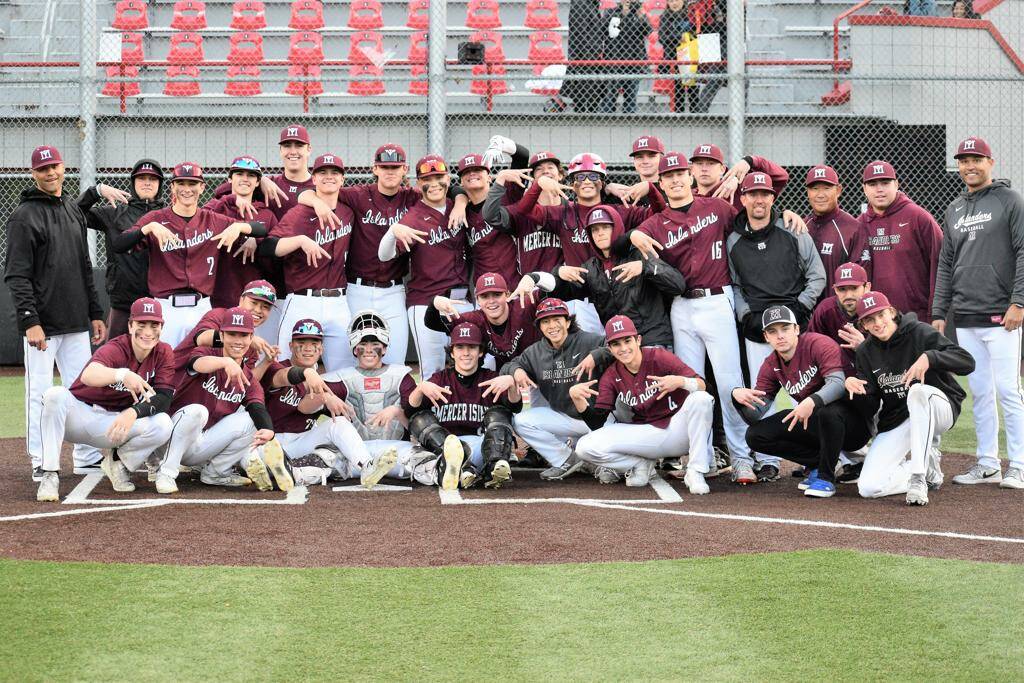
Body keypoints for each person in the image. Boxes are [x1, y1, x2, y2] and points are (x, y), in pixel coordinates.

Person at [629, 152, 750, 476]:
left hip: (716, 300)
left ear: (690, 176)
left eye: (681, 173)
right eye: (669, 176)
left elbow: (757, 214)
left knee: (728, 383)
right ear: (662, 182)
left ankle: (741, 458)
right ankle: (701, 457)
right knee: (690, 385)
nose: (676, 179)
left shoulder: (718, 207)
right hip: (681, 307)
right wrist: (634, 235)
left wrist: (748, 164)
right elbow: (623, 237)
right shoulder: (655, 223)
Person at [298, 144, 469, 366]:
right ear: (375, 169)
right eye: (384, 166)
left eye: (395, 167)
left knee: (395, 359)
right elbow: (307, 193)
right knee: (351, 358)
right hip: (356, 289)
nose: (390, 171)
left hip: (393, 291)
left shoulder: (412, 197)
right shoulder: (358, 195)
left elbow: (444, 188)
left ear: (404, 170)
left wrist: (460, 202)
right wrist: (317, 203)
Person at [4, 145, 108, 481]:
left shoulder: (71, 209)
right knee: (40, 394)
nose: (51, 173)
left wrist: (94, 312)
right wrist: (29, 321)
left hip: (77, 321)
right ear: (33, 174)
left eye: (55, 166)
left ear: (65, 167)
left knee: (85, 389)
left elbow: (84, 266)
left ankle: (87, 456)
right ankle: (41, 458)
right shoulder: (23, 216)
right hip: (43, 326)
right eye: (43, 169)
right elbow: (17, 275)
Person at [932, 136, 1024, 489]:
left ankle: (1017, 463)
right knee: (981, 391)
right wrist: (940, 310)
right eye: (963, 160)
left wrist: (1019, 302)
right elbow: (946, 263)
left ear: (991, 162)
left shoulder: (1009, 200)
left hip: (1003, 315)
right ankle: (987, 462)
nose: (969, 165)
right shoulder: (955, 208)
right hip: (965, 316)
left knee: (1008, 390)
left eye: (976, 159)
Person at [726, 172, 826, 483]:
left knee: (808, 390)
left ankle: (821, 455)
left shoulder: (794, 229)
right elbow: (736, 285)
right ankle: (768, 461)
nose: (759, 199)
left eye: (765, 194)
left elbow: (817, 276)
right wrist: (745, 316)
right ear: (742, 199)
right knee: (762, 394)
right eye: (752, 194)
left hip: (794, 323)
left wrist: (799, 308)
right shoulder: (733, 240)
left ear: (773, 197)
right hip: (758, 326)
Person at [114, 162, 268, 348]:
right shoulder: (155, 219)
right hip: (166, 308)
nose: (187, 189)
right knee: (165, 365)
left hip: (201, 308)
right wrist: (148, 228)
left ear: (202, 187)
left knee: (202, 366)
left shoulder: (212, 219)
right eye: (181, 183)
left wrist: (240, 226)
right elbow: (120, 245)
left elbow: (261, 229)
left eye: (192, 184)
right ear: (172, 187)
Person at [35, 298, 175, 501]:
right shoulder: (117, 347)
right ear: (130, 325)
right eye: (141, 324)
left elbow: (163, 397)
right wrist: (121, 375)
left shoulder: (164, 352)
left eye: (154, 325)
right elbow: (89, 375)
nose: (148, 331)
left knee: (163, 424)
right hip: (80, 418)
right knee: (54, 395)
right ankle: (49, 473)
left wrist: (133, 412)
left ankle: (118, 462)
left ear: (162, 327)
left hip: (115, 425)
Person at [510, 151, 665, 331]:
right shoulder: (562, 213)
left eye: (593, 176)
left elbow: (660, 215)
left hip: (620, 296)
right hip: (583, 298)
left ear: (602, 182)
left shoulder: (621, 211)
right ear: (572, 184)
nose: (586, 181)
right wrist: (538, 184)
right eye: (580, 177)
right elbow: (524, 210)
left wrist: (652, 189)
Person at [847, 292, 975, 505]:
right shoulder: (865, 352)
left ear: (892, 312)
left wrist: (930, 357)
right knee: (869, 487)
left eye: (881, 315)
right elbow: (871, 405)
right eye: (870, 319)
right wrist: (855, 388)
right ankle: (928, 469)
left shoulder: (920, 332)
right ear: (863, 326)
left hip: (939, 408)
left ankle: (918, 478)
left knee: (918, 391)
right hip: (900, 418)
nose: (878, 323)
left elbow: (967, 362)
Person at [732, 305, 871, 499]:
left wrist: (811, 401)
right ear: (766, 337)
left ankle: (825, 478)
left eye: (785, 329)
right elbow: (755, 415)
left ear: (796, 329)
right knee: (756, 435)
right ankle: (818, 462)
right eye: (773, 331)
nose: (780, 336)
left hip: (854, 423)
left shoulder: (818, 343)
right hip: (817, 422)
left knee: (827, 411)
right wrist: (737, 396)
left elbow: (839, 384)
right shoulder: (771, 363)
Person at [573, 315, 714, 491]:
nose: (623, 348)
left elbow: (705, 387)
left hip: (678, 430)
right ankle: (639, 464)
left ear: (638, 340)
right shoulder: (611, 375)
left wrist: (680, 382)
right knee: (584, 447)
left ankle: (695, 471)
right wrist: (578, 400)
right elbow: (598, 423)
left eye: (627, 340)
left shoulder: (659, 357)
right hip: (644, 435)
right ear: (609, 348)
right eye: (616, 344)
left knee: (701, 399)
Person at [514, 205, 686, 348]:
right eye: (595, 229)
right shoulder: (592, 268)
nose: (600, 233)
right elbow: (562, 289)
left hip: (652, 341)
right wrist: (535, 277)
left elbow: (678, 285)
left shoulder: (638, 254)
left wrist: (645, 267)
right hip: (619, 345)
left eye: (605, 227)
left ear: (617, 227)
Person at [259, 318, 396, 490]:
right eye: (301, 342)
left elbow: (305, 407)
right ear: (291, 346)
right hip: (270, 442)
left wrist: (325, 396)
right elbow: (284, 377)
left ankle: (367, 466)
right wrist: (313, 381)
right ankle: (279, 470)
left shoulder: (324, 381)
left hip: (301, 441)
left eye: (314, 342)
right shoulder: (278, 368)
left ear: (321, 348)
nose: (308, 348)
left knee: (338, 425)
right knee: (255, 457)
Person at [156, 307, 276, 489]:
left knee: (252, 421)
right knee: (197, 411)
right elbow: (197, 363)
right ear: (222, 335)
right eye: (232, 334)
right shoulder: (205, 352)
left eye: (243, 335)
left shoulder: (248, 378)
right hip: (171, 436)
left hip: (200, 447)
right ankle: (166, 473)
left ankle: (215, 473)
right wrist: (226, 362)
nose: (238, 341)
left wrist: (268, 429)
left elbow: (257, 407)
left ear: (251, 338)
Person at [326, 310, 448, 488]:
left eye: (375, 343)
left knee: (423, 461)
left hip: (395, 450)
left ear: (384, 348)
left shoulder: (401, 376)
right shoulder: (341, 378)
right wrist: (325, 396)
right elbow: (309, 403)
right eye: (363, 344)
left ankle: (452, 472)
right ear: (354, 347)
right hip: (355, 453)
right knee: (323, 458)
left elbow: (415, 423)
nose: (368, 350)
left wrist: (397, 412)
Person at [497, 298, 613, 480]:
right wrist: (516, 370)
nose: (552, 326)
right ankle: (566, 459)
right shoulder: (535, 351)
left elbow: (618, 346)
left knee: (604, 464)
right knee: (521, 421)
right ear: (540, 327)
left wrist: (597, 355)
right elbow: (509, 366)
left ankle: (608, 464)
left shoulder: (588, 340)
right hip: (566, 417)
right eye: (546, 321)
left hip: (600, 418)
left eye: (557, 319)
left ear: (568, 321)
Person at [379, 154, 472, 380]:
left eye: (439, 176)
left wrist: (462, 201)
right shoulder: (414, 217)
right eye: (426, 179)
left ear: (448, 179)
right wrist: (393, 231)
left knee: (476, 361)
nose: (434, 183)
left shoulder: (458, 206)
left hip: (462, 300)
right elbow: (384, 255)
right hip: (426, 302)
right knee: (433, 371)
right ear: (418, 183)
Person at [402, 322, 522, 489]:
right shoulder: (440, 379)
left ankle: (492, 468)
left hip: (484, 449)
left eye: (472, 347)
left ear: (480, 352)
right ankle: (464, 469)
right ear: (452, 352)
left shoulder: (491, 378)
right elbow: (410, 412)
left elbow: (515, 407)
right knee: (419, 419)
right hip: (447, 450)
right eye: (460, 347)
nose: (466, 353)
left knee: (500, 413)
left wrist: (511, 384)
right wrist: (420, 388)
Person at [268, 153, 354, 371]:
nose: (329, 177)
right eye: (322, 172)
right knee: (286, 366)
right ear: (313, 179)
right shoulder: (299, 214)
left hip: (339, 302)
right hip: (302, 300)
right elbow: (269, 248)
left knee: (343, 370)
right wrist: (300, 241)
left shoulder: (348, 209)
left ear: (343, 179)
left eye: (334, 172)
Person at [81, 159, 164, 338]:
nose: (147, 182)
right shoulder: (114, 213)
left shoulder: (170, 214)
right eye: (142, 178)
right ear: (133, 183)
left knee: (160, 357)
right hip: (123, 302)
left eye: (153, 179)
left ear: (160, 184)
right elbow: (74, 213)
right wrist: (96, 191)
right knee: (115, 356)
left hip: (161, 301)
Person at [859, 160, 943, 322]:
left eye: (885, 183)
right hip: (877, 320)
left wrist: (936, 312)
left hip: (917, 317)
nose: (879, 189)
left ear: (896, 184)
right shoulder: (860, 225)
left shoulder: (918, 217)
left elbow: (940, 266)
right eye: (873, 184)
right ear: (864, 189)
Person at [204, 155, 279, 311]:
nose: (245, 179)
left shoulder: (266, 214)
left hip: (253, 298)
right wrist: (230, 199)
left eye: (251, 175)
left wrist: (257, 240)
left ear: (258, 182)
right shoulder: (215, 206)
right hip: (216, 294)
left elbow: (277, 251)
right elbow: (200, 229)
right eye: (239, 174)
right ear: (230, 179)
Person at [428, 272, 542, 369]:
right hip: (506, 373)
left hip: (539, 367)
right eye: (484, 296)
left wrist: (534, 277)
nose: (491, 301)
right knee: (488, 363)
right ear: (477, 300)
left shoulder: (524, 304)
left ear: (507, 295)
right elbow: (433, 324)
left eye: (497, 294)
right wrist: (434, 302)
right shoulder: (475, 319)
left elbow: (556, 289)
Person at [484, 151, 565, 278]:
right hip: (530, 286)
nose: (545, 171)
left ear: (560, 175)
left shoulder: (570, 209)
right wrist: (500, 181)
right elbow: (491, 216)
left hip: (563, 286)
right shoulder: (521, 210)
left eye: (550, 167)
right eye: (539, 169)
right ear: (533, 178)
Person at [803, 165, 868, 301]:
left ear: (838, 190)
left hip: (837, 314)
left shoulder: (853, 228)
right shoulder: (801, 226)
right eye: (815, 189)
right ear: (808, 192)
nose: (820, 195)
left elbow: (860, 282)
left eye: (826, 188)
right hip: (804, 313)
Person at [456, 153, 520, 287]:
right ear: (461, 181)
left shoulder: (506, 197)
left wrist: (507, 146)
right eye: (466, 172)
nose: (472, 174)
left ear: (489, 177)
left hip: (515, 284)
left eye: (478, 170)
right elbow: (447, 189)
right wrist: (459, 202)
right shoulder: (462, 213)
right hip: (484, 291)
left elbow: (522, 157)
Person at [603, 0, 651, 113]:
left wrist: (641, 15)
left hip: (634, 61)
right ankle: (607, 119)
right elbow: (604, 31)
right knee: (610, 96)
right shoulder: (611, 12)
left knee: (631, 97)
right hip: (614, 60)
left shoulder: (638, 13)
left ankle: (630, 120)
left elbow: (648, 31)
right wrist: (623, 14)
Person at [561, 0, 608, 113]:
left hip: (591, 53)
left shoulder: (591, 5)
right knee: (583, 92)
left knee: (592, 91)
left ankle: (590, 113)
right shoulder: (580, 4)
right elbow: (579, 32)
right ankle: (582, 116)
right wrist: (588, 53)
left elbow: (594, 30)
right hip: (583, 55)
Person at [658, 0, 695, 112]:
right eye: (671, 1)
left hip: (690, 54)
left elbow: (696, 33)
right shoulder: (665, 17)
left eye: (677, 0)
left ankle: (695, 113)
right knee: (679, 86)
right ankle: (679, 113)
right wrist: (679, 38)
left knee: (693, 86)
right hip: (674, 56)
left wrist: (687, 36)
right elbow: (662, 37)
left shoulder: (690, 15)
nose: (674, 3)